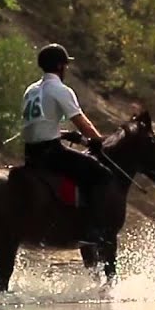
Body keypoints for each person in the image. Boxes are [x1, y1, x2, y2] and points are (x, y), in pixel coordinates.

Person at [19, 43, 113, 244]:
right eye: (66, 66)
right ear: (60, 66)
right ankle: (91, 229)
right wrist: (99, 142)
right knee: (102, 174)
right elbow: (83, 123)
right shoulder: (60, 90)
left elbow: (38, 125)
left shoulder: (31, 90)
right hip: (51, 154)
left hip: (30, 153)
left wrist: (64, 134)